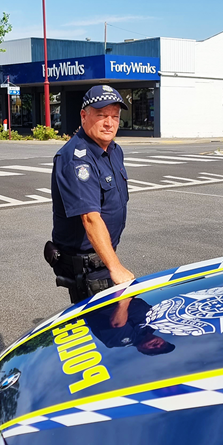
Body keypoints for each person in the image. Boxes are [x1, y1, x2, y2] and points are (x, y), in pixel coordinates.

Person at [45, 85, 134, 303]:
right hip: (86, 266)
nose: (109, 123)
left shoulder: (113, 150)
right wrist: (115, 268)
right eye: (102, 115)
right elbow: (90, 218)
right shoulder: (76, 159)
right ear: (84, 116)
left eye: (115, 116)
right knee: (106, 329)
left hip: (102, 257)